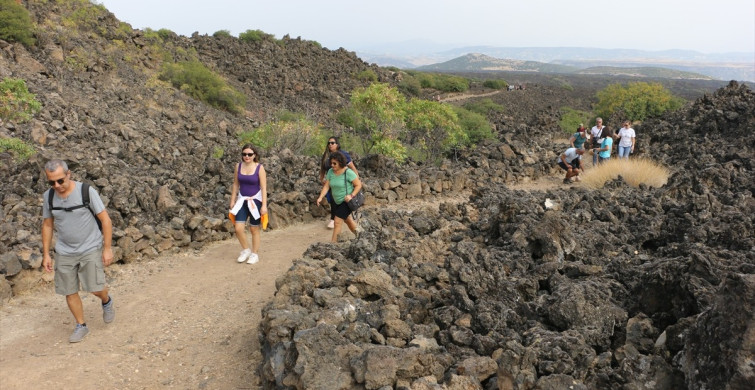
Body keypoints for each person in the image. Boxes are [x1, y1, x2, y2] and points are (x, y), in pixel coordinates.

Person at [41, 159, 115, 343]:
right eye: (51, 182)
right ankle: (81, 325)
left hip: (90, 247)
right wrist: (46, 254)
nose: (56, 186)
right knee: (69, 290)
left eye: (60, 180)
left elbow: (105, 220)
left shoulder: (86, 192)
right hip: (65, 251)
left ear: (68, 174)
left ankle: (106, 300)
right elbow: (48, 225)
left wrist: (107, 248)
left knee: (95, 288)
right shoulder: (48, 197)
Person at [229, 144, 268, 264]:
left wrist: (264, 205)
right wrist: (232, 200)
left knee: (253, 229)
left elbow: (263, 187)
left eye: (250, 154)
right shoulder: (238, 166)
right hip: (242, 200)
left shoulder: (259, 168)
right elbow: (236, 184)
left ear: (254, 155)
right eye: (244, 154)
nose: (247, 156)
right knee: (238, 228)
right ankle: (246, 250)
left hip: (255, 201)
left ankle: (254, 254)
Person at [316, 152, 362, 242]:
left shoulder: (348, 172)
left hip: (346, 201)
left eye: (334, 163)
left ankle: (333, 245)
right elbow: (327, 186)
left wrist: (351, 195)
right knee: (347, 219)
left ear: (340, 163)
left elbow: (358, 185)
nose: (332, 165)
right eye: (331, 163)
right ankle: (361, 234)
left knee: (337, 221)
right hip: (336, 201)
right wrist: (320, 197)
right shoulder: (330, 172)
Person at [318, 137, 358, 229]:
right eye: (329, 143)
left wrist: (356, 177)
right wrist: (321, 178)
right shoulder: (326, 155)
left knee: (337, 199)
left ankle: (333, 220)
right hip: (331, 179)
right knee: (332, 199)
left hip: (341, 180)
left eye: (332, 143)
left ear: (337, 144)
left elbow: (352, 167)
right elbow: (323, 167)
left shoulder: (343, 155)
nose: (330, 145)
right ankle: (346, 221)